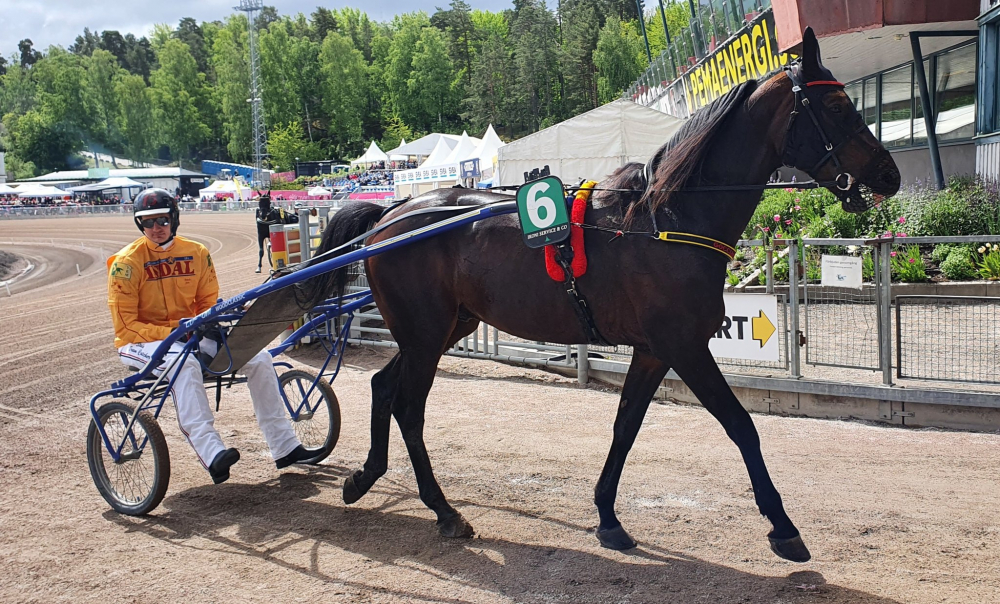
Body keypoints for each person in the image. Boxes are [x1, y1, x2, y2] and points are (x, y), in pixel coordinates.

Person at [107, 188, 320, 484]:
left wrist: (214, 317)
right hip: (141, 340)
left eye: (163, 220)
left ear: (174, 219)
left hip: (186, 332)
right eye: (148, 222)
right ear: (139, 224)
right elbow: (125, 325)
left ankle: (285, 446)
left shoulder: (196, 253)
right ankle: (211, 452)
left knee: (257, 358)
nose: (156, 228)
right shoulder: (126, 263)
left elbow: (206, 304)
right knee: (185, 364)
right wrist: (174, 331)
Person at [254, 193, 299, 273]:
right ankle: (259, 265)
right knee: (261, 248)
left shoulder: (277, 211)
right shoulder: (258, 212)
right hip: (263, 229)